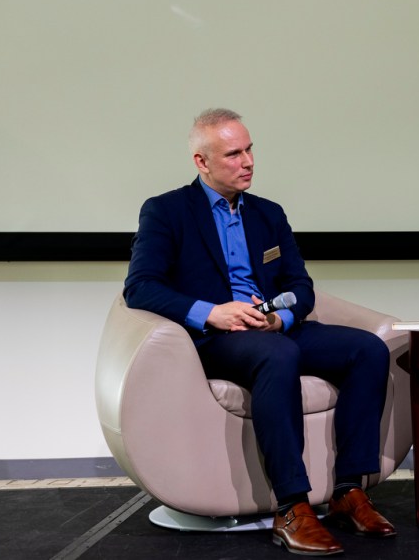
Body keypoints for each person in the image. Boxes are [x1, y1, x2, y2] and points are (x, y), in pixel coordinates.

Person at [124, 108, 395, 556]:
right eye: (233, 154)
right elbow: (140, 287)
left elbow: (300, 287)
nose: (247, 161)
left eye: (250, 149)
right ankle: (291, 506)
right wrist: (212, 312)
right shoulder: (167, 211)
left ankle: (349, 490)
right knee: (277, 356)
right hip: (217, 339)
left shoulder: (268, 214)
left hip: (273, 330)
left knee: (366, 349)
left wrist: (280, 318)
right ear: (202, 162)